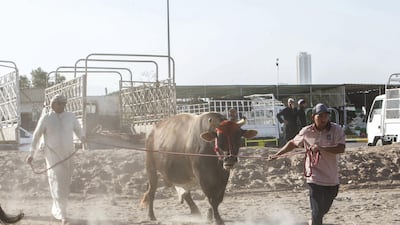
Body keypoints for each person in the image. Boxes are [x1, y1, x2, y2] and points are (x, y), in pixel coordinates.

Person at [269, 103, 345, 225]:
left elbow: (341, 148)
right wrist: (277, 155)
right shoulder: (306, 131)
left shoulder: (336, 130)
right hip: (314, 178)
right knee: (316, 211)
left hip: (331, 179)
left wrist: (321, 148)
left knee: (323, 210)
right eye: (320, 116)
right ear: (313, 117)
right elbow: (292, 143)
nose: (323, 119)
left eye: (326, 116)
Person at [26, 94, 86, 225]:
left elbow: (78, 129)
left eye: (63, 103)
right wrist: (31, 154)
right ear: (53, 104)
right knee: (57, 184)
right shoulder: (46, 118)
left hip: (68, 155)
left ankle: (57, 211)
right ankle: (63, 215)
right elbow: (36, 137)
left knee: (64, 184)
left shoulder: (71, 116)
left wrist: (83, 137)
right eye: (58, 103)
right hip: (53, 156)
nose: (61, 105)